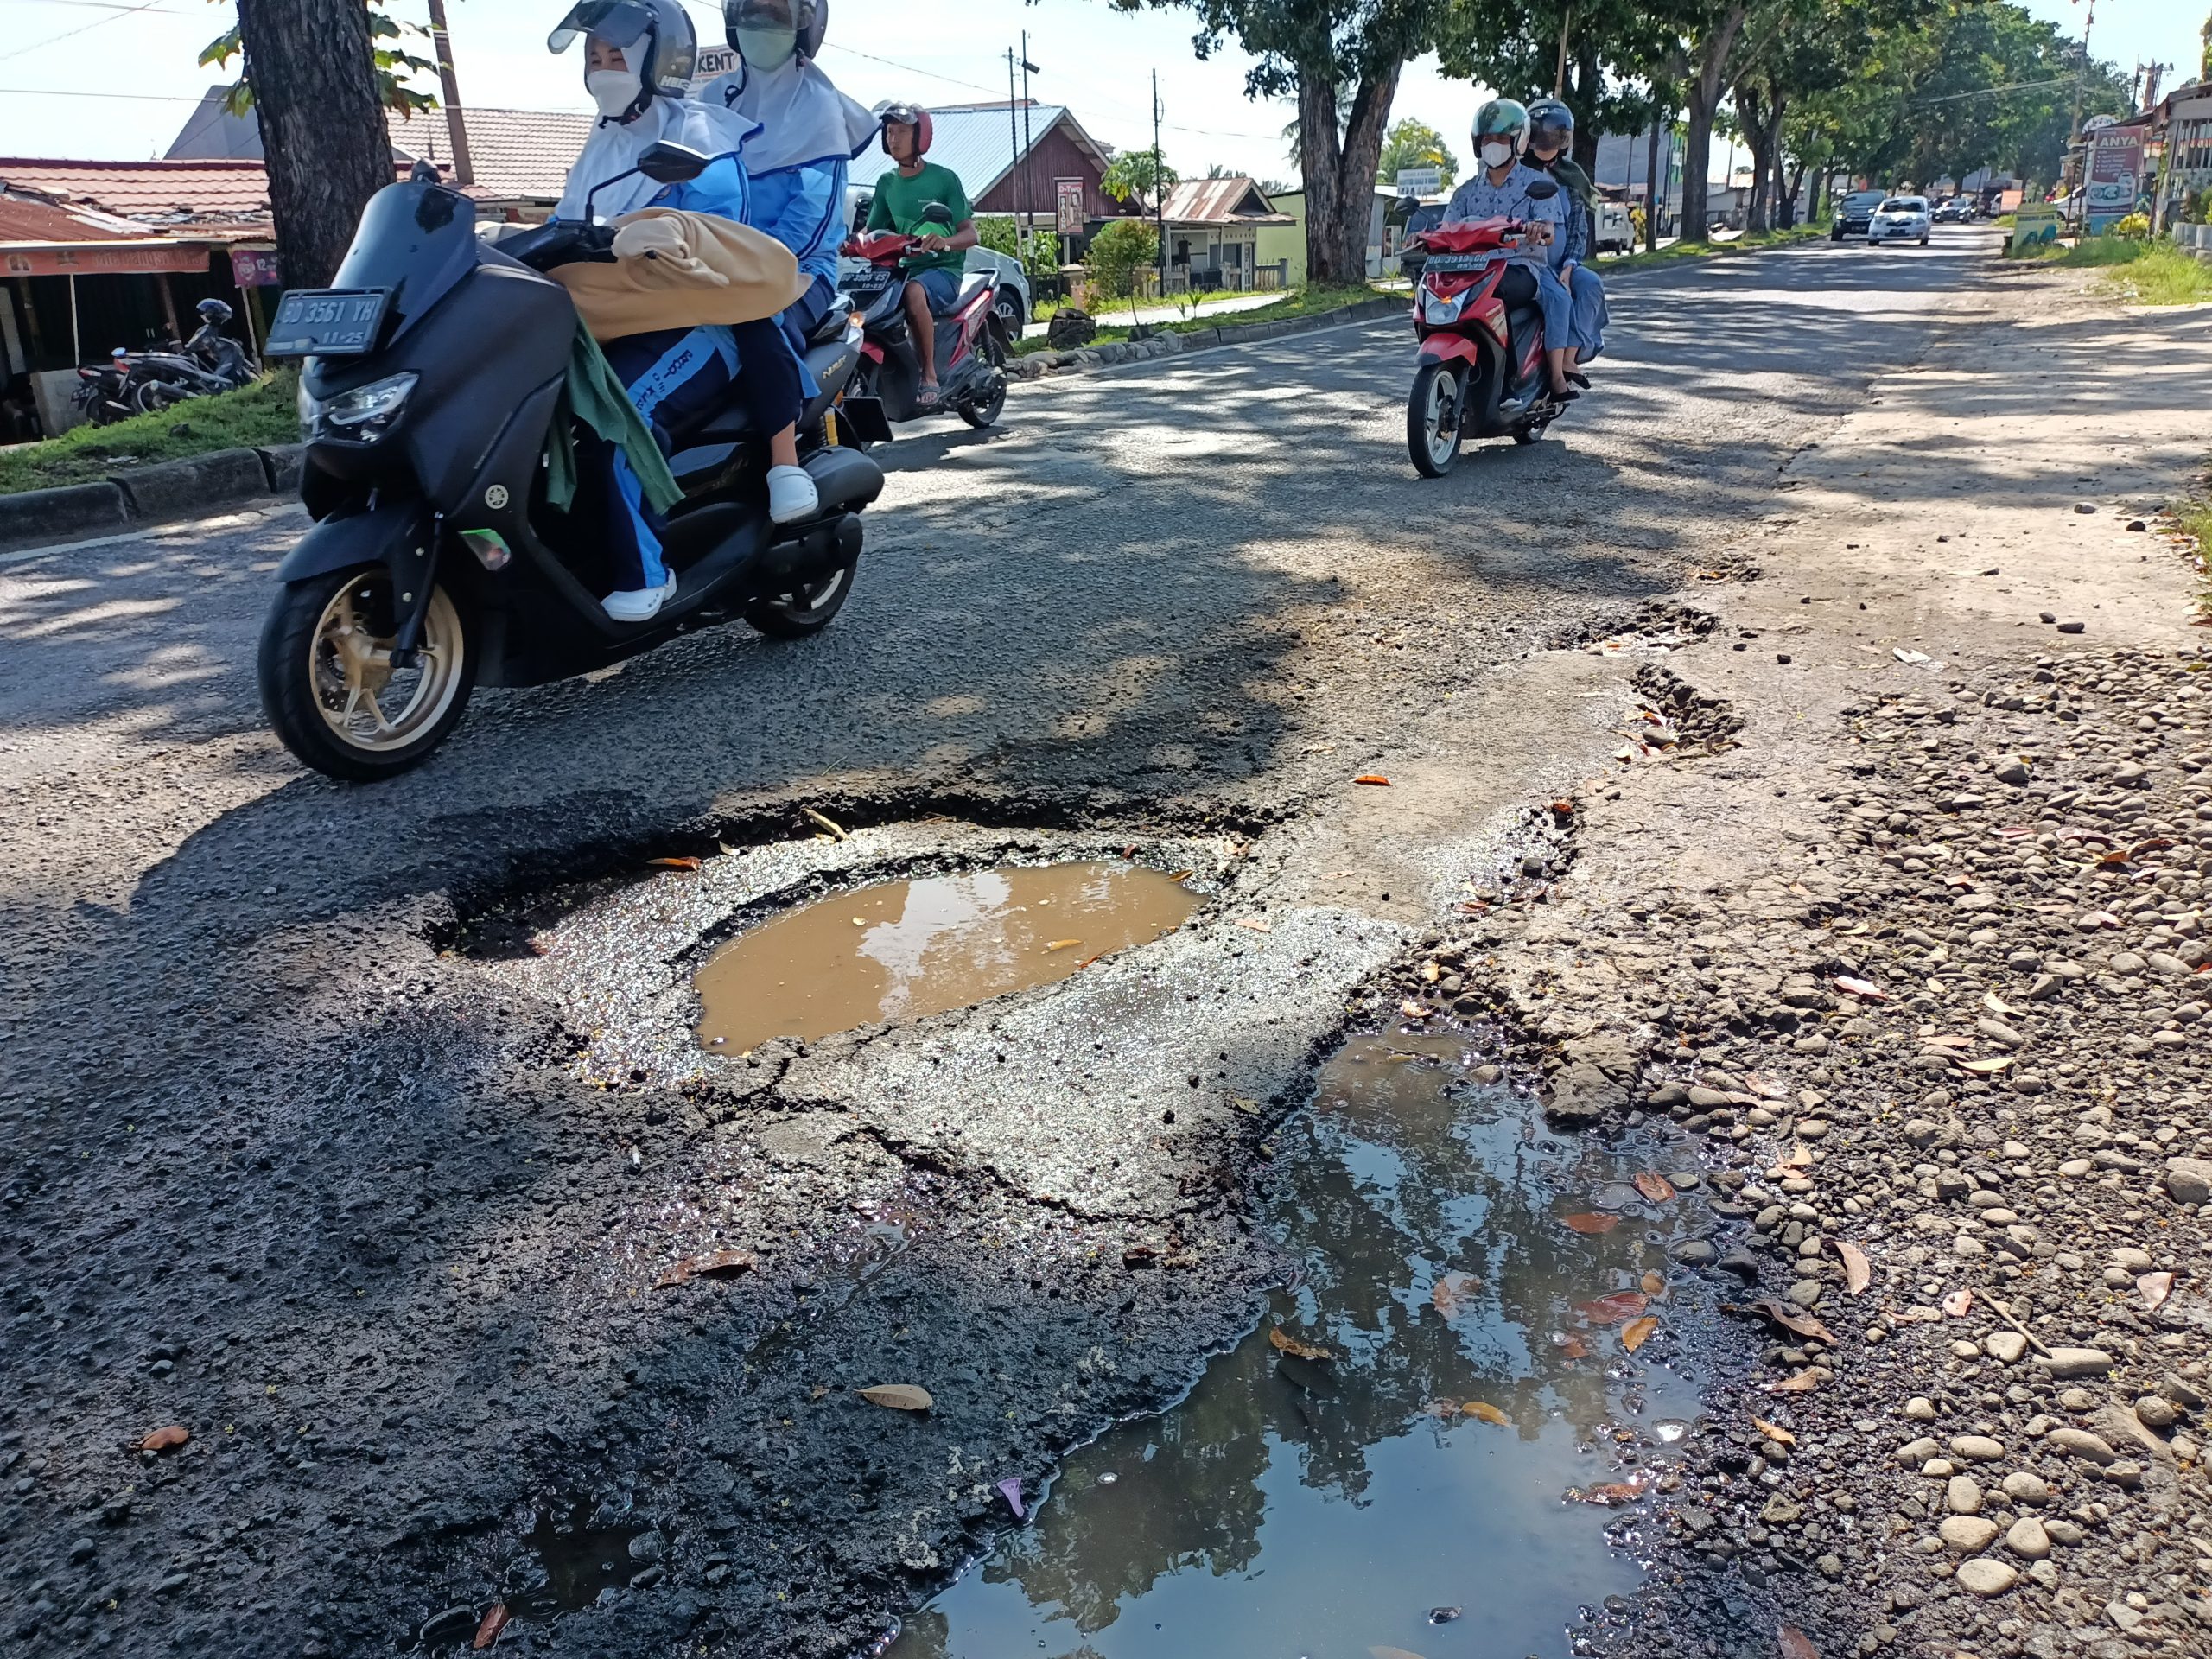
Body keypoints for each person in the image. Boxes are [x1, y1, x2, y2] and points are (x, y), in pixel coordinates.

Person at [548, 0, 816, 622]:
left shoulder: (698, 138)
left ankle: (650, 572)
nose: (602, 68)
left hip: (702, 315)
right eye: (594, 58)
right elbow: (566, 223)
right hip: (615, 320)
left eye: (616, 55)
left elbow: (706, 229)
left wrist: (652, 231)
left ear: (655, 60)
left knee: (620, 420)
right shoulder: (600, 145)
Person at [710, 0, 878, 361]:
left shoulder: (822, 106)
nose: (760, 19)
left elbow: (811, 216)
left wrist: (748, 263)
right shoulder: (711, 100)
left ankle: (781, 419)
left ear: (803, 25)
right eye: (751, 9)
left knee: (758, 329)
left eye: (774, 11)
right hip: (712, 268)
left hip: (799, 271)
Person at [1441, 98, 1573, 399]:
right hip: (1472, 270)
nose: (1493, 145)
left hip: (1520, 268)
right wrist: (1420, 238)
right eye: (1487, 139)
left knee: (1495, 294)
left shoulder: (1536, 183)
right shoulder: (1466, 191)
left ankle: (1510, 383)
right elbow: (1447, 229)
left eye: (1501, 139)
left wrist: (1540, 229)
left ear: (1518, 141)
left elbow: (1549, 231)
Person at [867, 104, 977, 410]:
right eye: (889, 132)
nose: (894, 138)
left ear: (920, 136)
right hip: (903, 271)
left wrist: (943, 242)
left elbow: (970, 233)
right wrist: (849, 242)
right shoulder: (886, 183)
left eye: (902, 131)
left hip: (943, 272)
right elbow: (874, 230)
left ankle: (929, 375)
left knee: (914, 293)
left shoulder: (944, 179)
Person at [1523, 96, 1606, 384]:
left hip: (1562, 262)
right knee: (1557, 298)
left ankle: (1569, 359)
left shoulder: (1571, 177)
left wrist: (1569, 269)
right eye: (1540, 133)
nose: (1547, 141)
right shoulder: (1516, 172)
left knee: (1591, 285)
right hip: (1529, 261)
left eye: (1555, 134)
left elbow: (1578, 231)